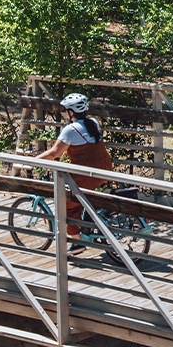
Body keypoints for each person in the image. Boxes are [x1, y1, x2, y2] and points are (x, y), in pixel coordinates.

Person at [33, 93, 114, 252]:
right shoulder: (93, 123)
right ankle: (86, 224)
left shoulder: (70, 130)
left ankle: (78, 243)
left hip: (87, 173)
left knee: (65, 204)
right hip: (104, 168)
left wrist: (32, 161)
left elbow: (53, 153)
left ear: (71, 112)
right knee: (78, 196)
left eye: (65, 110)